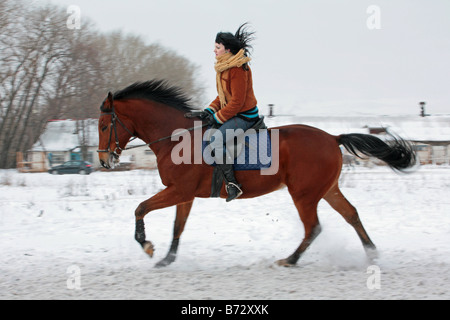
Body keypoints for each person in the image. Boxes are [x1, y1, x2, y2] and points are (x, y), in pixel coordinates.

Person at [199, 23, 260, 202]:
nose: (214, 50)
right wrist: (208, 110)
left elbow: (237, 102)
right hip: (233, 113)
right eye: (215, 47)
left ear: (227, 50)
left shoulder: (238, 68)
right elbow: (223, 97)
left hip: (245, 116)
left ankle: (232, 184)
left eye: (217, 47)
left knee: (216, 139)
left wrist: (217, 117)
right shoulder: (224, 67)